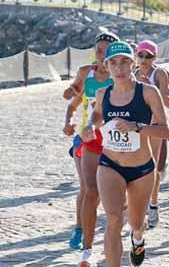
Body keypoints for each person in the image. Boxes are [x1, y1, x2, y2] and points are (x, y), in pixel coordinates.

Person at [82, 41, 169, 267]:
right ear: (107, 66)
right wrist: (91, 126)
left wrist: (137, 126)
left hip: (141, 169)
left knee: (136, 223)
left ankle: (138, 239)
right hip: (110, 164)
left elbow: (165, 131)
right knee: (113, 219)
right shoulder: (103, 93)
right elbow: (98, 115)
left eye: (124, 62)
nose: (119, 68)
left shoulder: (148, 92)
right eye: (113, 63)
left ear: (133, 64)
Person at [63, 32, 119, 267]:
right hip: (86, 137)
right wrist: (69, 117)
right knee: (88, 187)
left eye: (106, 50)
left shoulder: (121, 75)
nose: (101, 53)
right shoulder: (87, 72)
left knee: (115, 196)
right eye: (98, 49)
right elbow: (74, 94)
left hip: (115, 139)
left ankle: (115, 230)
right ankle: (82, 232)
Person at [133, 40, 169, 229]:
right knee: (134, 165)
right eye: (141, 55)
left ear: (154, 57)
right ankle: (134, 204)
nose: (144, 59)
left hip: (155, 125)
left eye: (148, 56)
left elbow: (168, 102)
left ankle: (153, 204)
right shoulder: (131, 72)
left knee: (152, 166)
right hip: (135, 124)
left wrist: (150, 88)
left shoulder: (160, 74)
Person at [63, 93, 84, 250]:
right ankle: (79, 229)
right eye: (112, 64)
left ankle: (135, 229)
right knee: (87, 188)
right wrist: (68, 122)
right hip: (85, 141)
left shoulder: (127, 81)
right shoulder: (88, 77)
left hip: (114, 144)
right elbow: (72, 105)